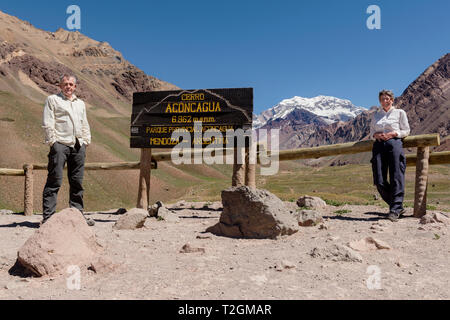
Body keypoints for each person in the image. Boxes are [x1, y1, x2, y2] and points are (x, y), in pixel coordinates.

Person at [41, 74, 94, 226]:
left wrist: (86, 141)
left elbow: (85, 123)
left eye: (71, 84)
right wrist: (53, 142)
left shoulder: (80, 104)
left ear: (75, 86)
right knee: (55, 180)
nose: (68, 87)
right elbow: (48, 122)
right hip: (60, 145)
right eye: (65, 84)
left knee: (77, 181)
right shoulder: (53, 100)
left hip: (78, 145)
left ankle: (77, 216)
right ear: (60, 86)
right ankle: (48, 218)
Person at [370, 90, 410, 221]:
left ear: (392, 100)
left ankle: (395, 209)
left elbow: (406, 130)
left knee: (396, 176)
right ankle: (396, 205)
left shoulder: (400, 113)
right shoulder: (376, 115)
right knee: (379, 179)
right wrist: (376, 135)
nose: (385, 101)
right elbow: (371, 133)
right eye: (382, 99)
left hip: (394, 144)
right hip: (379, 145)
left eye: (387, 98)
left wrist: (393, 134)